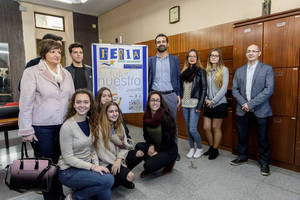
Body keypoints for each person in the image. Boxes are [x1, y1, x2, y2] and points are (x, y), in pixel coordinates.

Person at [18, 39, 75, 200]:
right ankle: (50, 197)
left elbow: (72, 99)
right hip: (42, 127)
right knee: (46, 166)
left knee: (60, 163)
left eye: (59, 52)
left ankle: (59, 195)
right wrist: (26, 129)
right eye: (53, 51)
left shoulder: (66, 73)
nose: (57, 55)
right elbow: (26, 103)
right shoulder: (32, 72)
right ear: (44, 53)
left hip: (64, 126)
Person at [58, 89, 114, 200]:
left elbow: (92, 149)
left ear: (90, 104)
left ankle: (80, 194)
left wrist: (98, 167)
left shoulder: (90, 121)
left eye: (85, 102)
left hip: (86, 168)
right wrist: (93, 167)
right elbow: (68, 158)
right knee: (108, 180)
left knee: (105, 190)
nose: (82, 105)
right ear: (73, 105)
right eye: (78, 102)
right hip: (69, 171)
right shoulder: (67, 126)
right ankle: (73, 197)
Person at [231, 44, 274, 176]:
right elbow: (234, 89)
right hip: (242, 109)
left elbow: (269, 89)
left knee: (262, 137)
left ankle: (264, 162)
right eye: (248, 51)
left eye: (254, 51)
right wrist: (244, 103)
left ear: (259, 53)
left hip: (261, 109)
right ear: (246, 54)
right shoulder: (239, 70)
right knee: (242, 135)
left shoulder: (267, 69)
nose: (251, 53)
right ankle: (242, 156)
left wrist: (251, 104)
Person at [126, 91, 178, 178]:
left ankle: (169, 162)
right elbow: (146, 136)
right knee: (138, 146)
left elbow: (169, 139)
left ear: (161, 102)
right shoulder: (146, 117)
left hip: (168, 149)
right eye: (152, 100)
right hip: (156, 145)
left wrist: (156, 150)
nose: (155, 103)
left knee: (148, 165)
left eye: (157, 100)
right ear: (149, 102)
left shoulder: (166, 117)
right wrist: (151, 145)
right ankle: (154, 160)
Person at [148, 33, 181, 160]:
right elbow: (147, 79)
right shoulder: (150, 60)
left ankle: (174, 150)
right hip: (155, 96)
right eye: (158, 42)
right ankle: (158, 149)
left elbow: (178, 78)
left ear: (167, 44)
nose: (161, 43)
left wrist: (178, 95)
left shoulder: (174, 59)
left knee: (172, 125)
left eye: (163, 41)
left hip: (171, 95)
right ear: (156, 44)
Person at [96, 101, 135, 189]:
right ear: (105, 113)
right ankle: (115, 181)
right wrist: (117, 162)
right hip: (106, 162)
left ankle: (120, 177)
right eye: (111, 111)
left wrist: (119, 160)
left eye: (116, 111)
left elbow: (124, 146)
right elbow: (102, 154)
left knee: (138, 153)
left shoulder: (119, 125)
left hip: (118, 158)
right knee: (131, 176)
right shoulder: (100, 129)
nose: (114, 114)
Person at [180, 49, 207, 159]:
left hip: (195, 104)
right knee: (187, 128)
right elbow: (181, 89)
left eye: (194, 56)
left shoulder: (201, 71)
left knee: (192, 129)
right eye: (190, 56)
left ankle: (200, 148)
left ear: (197, 58)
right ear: (187, 59)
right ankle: (191, 147)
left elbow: (204, 89)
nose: (192, 58)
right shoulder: (183, 72)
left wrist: (200, 105)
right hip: (184, 103)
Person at [203, 48, 229, 160]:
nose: (213, 57)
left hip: (219, 103)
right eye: (211, 55)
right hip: (207, 103)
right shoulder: (206, 70)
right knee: (206, 127)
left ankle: (215, 149)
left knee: (215, 127)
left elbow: (224, 88)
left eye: (216, 55)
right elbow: (203, 87)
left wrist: (213, 101)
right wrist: (205, 99)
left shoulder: (224, 70)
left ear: (219, 58)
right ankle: (211, 146)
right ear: (209, 58)